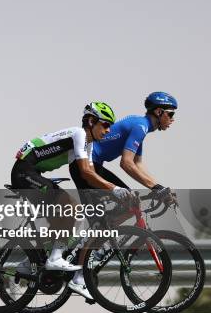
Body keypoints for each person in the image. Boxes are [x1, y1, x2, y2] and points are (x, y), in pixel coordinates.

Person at [12, 102, 131, 299]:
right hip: (24, 172)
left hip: (33, 172)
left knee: (64, 217)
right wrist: (115, 189)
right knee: (71, 209)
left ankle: (30, 262)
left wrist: (109, 193)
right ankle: (55, 258)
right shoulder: (79, 134)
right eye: (105, 125)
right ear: (91, 121)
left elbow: (90, 175)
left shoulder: (88, 143)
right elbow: (84, 172)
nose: (108, 130)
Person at [70, 92, 177, 203]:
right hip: (84, 165)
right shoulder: (140, 127)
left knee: (131, 202)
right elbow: (126, 163)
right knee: (126, 204)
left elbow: (137, 163)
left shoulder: (141, 125)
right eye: (171, 114)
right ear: (159, 112)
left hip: (93, 164)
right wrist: (155, 187)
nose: (172, 119)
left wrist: (160, 188)